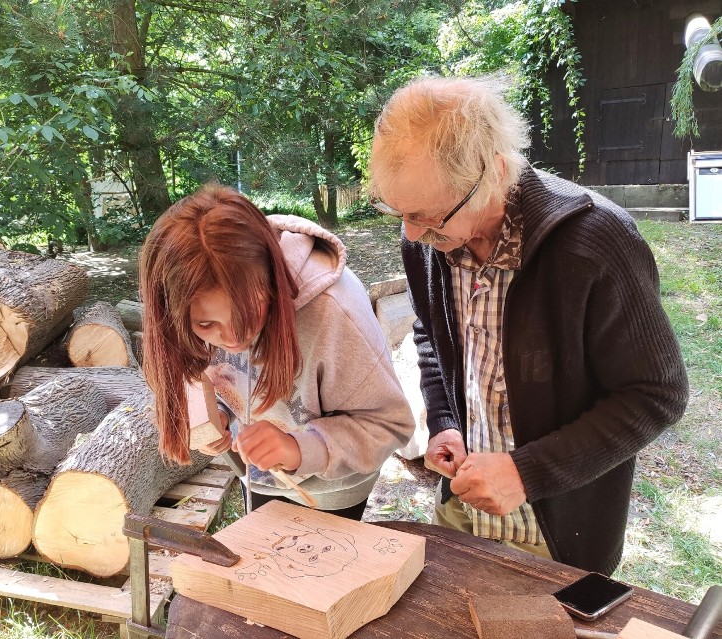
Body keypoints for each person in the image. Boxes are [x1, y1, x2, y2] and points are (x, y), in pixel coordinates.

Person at [367, 75, 688, 574]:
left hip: (559, 533)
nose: (411, 234)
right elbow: (431, 337)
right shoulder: (427, 244)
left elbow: (657, 394)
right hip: (462, 510)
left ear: (493, 172)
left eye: (428, 216)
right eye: (399, 213)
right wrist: (446, 422)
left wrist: (526, 472)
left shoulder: (595, 246)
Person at [138, 184, 414, 520]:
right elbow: (229, 377)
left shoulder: (333, 312)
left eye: (248, 313)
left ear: (271, 280)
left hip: (332, 492)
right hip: (257, 476)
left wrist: (300, 448)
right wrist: (220, 414)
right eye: (207, 325)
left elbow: (389, 425)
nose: (234, 338)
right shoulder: (185, 305)